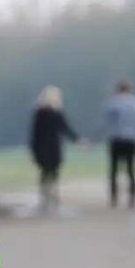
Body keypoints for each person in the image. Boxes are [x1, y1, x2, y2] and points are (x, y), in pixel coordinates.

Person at [29, 86, 79, 214]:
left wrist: (33, 149)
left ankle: (45, 198)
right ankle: (53, 196)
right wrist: (78, 140)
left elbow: (35, 133)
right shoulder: (57, 113)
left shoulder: (39, 113)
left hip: (41, 148)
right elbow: (66, 129)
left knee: (44, 173)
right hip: (54, 147)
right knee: (54, 173)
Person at [102, 80, 135, 208]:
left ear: (118, 89)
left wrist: (94, 139)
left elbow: (105, 123)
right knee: (131, 169)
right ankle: (132, 198)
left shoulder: (112, 103)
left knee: (113, 170)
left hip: (116, 140)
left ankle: (114, 197)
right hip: (132, 140)